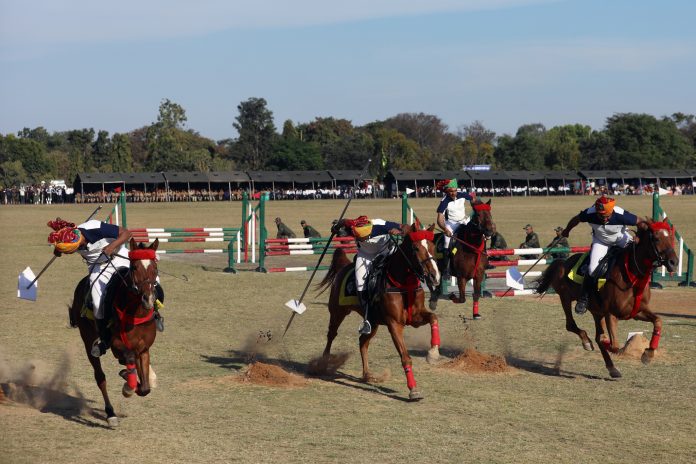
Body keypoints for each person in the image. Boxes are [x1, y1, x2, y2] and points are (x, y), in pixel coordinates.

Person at [47, 217, 132, 357]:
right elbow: (59, 247)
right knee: (97, 303)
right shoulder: (67, 238)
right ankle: (105, 339)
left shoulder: (94, 227)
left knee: (147, 278)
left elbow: (127, 233)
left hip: (119, 257)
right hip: (96, 267)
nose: (77, 250)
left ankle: (155, 314)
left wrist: (112, 246)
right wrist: (58, 251)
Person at [561, 196, 644, 315]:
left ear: (612, 211)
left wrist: (639, 236)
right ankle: (583, 299)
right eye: (600, 215)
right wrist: (567, 230)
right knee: (592, 269)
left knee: (637, 256)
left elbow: (641, 222)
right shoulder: (590, 213)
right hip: (601, 242)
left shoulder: (621, 214)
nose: (603, 219)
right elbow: (576, 219)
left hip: (621, 239)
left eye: (606, 216)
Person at [332, 216, 403, 334]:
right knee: (360, 282)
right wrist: (336, 227)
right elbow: (343, 222)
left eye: (362, 237)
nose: (359, 238)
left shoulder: (381, 225)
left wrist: (400, 231)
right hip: (365, 254)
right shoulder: (353, 225)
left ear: (370, 233)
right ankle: (368, 319)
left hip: (385, 251)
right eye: (357, 236)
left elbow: (404, 226)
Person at [435, 178, 476, 276]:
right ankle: (446, 269)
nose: (453, 193)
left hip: (464, 221)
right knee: (446, 242)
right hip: (451, 224)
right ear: (447, 191)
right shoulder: (444, 201)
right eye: (451, 191)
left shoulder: (462, 194)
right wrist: (445, 229)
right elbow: (439, 219)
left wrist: (474, 207)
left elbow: (473, 199)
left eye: (454, 191)